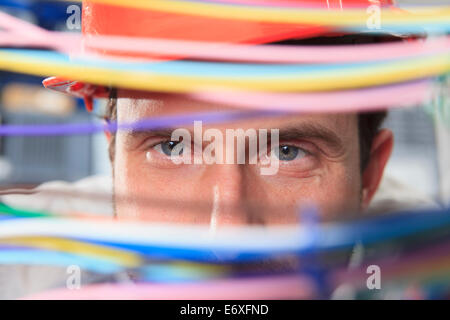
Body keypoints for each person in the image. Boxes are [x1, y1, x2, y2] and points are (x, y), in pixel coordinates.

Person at [0, 0, 438, 299]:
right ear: (113, 149)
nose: (223, 236)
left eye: (287, 153)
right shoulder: (23, 271)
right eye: (173, 146)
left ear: (369, 174)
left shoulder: (427, 267)